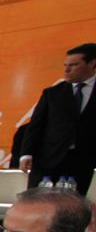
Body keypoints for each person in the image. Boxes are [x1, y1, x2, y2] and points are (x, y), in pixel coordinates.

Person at [20, 43, 96, 194]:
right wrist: (26, 153)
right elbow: (35, 126)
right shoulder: (52, 93)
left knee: (75, 204)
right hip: (48, 159)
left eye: (73, 65)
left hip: (84, 161)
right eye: (65, 65)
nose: (67, 70)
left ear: (92, 63)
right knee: (39, 202)